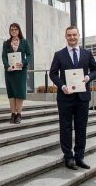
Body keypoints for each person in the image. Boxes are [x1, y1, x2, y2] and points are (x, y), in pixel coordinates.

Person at [49, 26, 96, 170]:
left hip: (82, 97)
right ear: (66, 37)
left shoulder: (87, 54)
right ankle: (68, 157)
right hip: (65, 97)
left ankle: (79, 156)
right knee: (66, 127)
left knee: (81, 128)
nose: (72, 37)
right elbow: (53, 73)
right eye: (69, 35)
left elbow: (95, 69)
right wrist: (62, 86)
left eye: (74, 35)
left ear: (79, 35)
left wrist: (88, 77)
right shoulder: (59, 55)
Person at [1, 23, 32, 124]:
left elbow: (29, 55)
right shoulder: (6, 43)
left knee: (19, 93)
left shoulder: (24, 42)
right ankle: (12, 114)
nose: (13, 31)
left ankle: (19, 114)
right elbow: (4, 56)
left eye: (15, 29)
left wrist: (24, 63)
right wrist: (7, 66)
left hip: (21, 71)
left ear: (19, 30)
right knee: (11, 93)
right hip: (10, 71)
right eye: (12, 29)